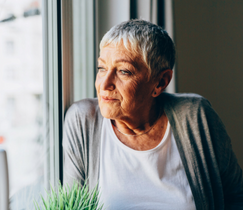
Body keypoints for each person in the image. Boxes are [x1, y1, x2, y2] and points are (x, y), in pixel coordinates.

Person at [63, 19, 243, 209]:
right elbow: (70, 206)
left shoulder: (196, 117)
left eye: (124, 71)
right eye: (102, 68)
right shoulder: (83, 120)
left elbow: (237, 197)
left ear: (160, 82)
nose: (104, 84)